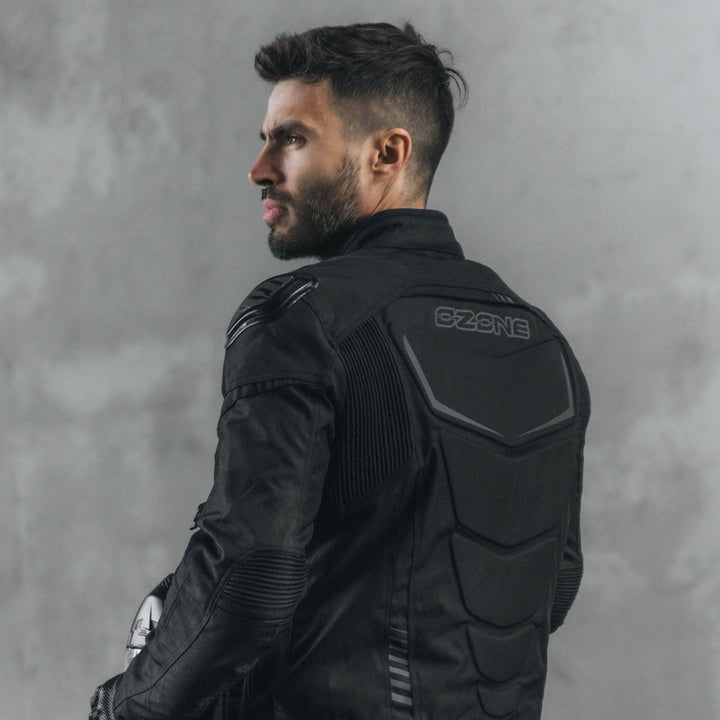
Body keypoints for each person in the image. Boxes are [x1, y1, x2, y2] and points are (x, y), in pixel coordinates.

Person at [90, 22, 590, 720]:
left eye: (291, 139)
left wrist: (124, 705)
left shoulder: (303, 317)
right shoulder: (541, 340)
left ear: (387, 153)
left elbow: (249, 574)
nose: (260, 168)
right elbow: (551, 580)